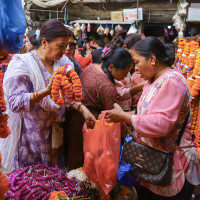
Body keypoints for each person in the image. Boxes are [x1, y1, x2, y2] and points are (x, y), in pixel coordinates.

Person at [105, 36, 200, 200]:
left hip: (173, 166)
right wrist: (123, 115)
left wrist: (124, 117)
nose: (135, 68)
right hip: (156, 163)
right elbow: (147, 115)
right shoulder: (153, 80)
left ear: (152, 59)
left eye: (137, 62)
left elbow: (161, 124)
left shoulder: (172, 82)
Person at [0, 19, 95, 171]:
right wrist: (46, 91)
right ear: (44, 42)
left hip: (55, 135)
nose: (64, 51)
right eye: (60, 46)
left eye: (67, 46)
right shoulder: (22, 64)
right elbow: (14, 102)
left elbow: (67, 95)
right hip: (29, 138)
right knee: (29, 182)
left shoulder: (63, 63)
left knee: (52, 179)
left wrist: (83, 110)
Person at [64, 44, 134, 170]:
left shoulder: (93, 67)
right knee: (83, 166)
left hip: (73, 120)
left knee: (72, 162)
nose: (125, 77)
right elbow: (116, 118)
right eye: (124, 73)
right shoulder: (106, 86)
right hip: (86, 128)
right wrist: (133, 138)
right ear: (111, 67)